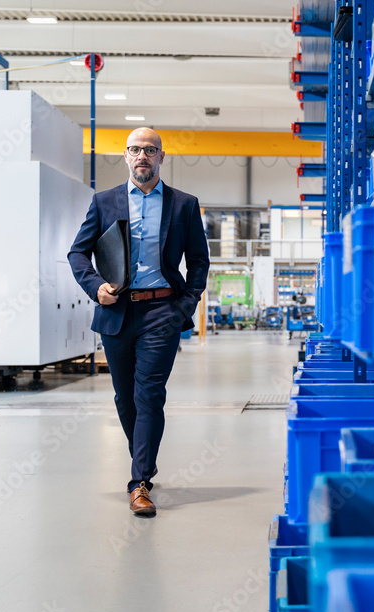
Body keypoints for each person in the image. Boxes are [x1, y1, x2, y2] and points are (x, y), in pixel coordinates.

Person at [68, 128, 209, 517]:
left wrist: (185, 305)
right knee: (125, 397)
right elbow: (77, 254)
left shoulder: (183, 204)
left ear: (161, 157)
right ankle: (144, 461)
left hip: (163, 312)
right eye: (135, 150)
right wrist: (96, 287)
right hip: (117, 312)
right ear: (125, 156)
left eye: (150, 150)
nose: (142, 156)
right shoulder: (104, 202)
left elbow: (199, 260)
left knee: (149, 394)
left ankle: (139, 482)